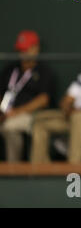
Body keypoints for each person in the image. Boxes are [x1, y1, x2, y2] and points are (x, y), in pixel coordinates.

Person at [0, 30, 52, 162]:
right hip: (6, 113)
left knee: (10, 127)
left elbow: (43, 100)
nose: (22, 54)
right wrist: (3, 111)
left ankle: (14, 170)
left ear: (36, 49)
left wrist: (16, 112)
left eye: (26, 50)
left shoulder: (43, 71)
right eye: (20, 50)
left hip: (32, 115)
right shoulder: (11, 68)